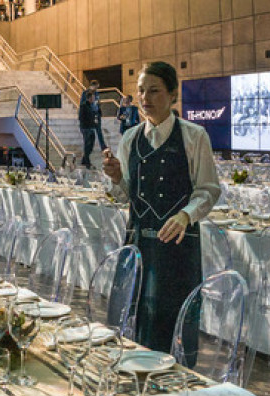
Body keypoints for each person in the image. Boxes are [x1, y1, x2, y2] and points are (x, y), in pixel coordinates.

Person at [102, 61, 220, 358]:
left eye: (154, 91)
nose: (145, 98)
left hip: (178, 246)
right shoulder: (130, 138)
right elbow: (125, 196)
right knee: (136, 322)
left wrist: (185, 215)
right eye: (141, 91)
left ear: (173, 94)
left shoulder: (194, 136)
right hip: (138, 243)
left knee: (178, 326)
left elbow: (208, 189)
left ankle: (180, 382)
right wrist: (116, 178)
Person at [78, 79, 106, 167]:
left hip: (94, 117)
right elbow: (82, 113)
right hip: (87, 124)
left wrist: (98, 110)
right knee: (88, 143)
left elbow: (97, 104)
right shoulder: (85, 99)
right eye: (95, 87)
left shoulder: (96, 94)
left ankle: (85, 160)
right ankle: (86, 161)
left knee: (91, 142)